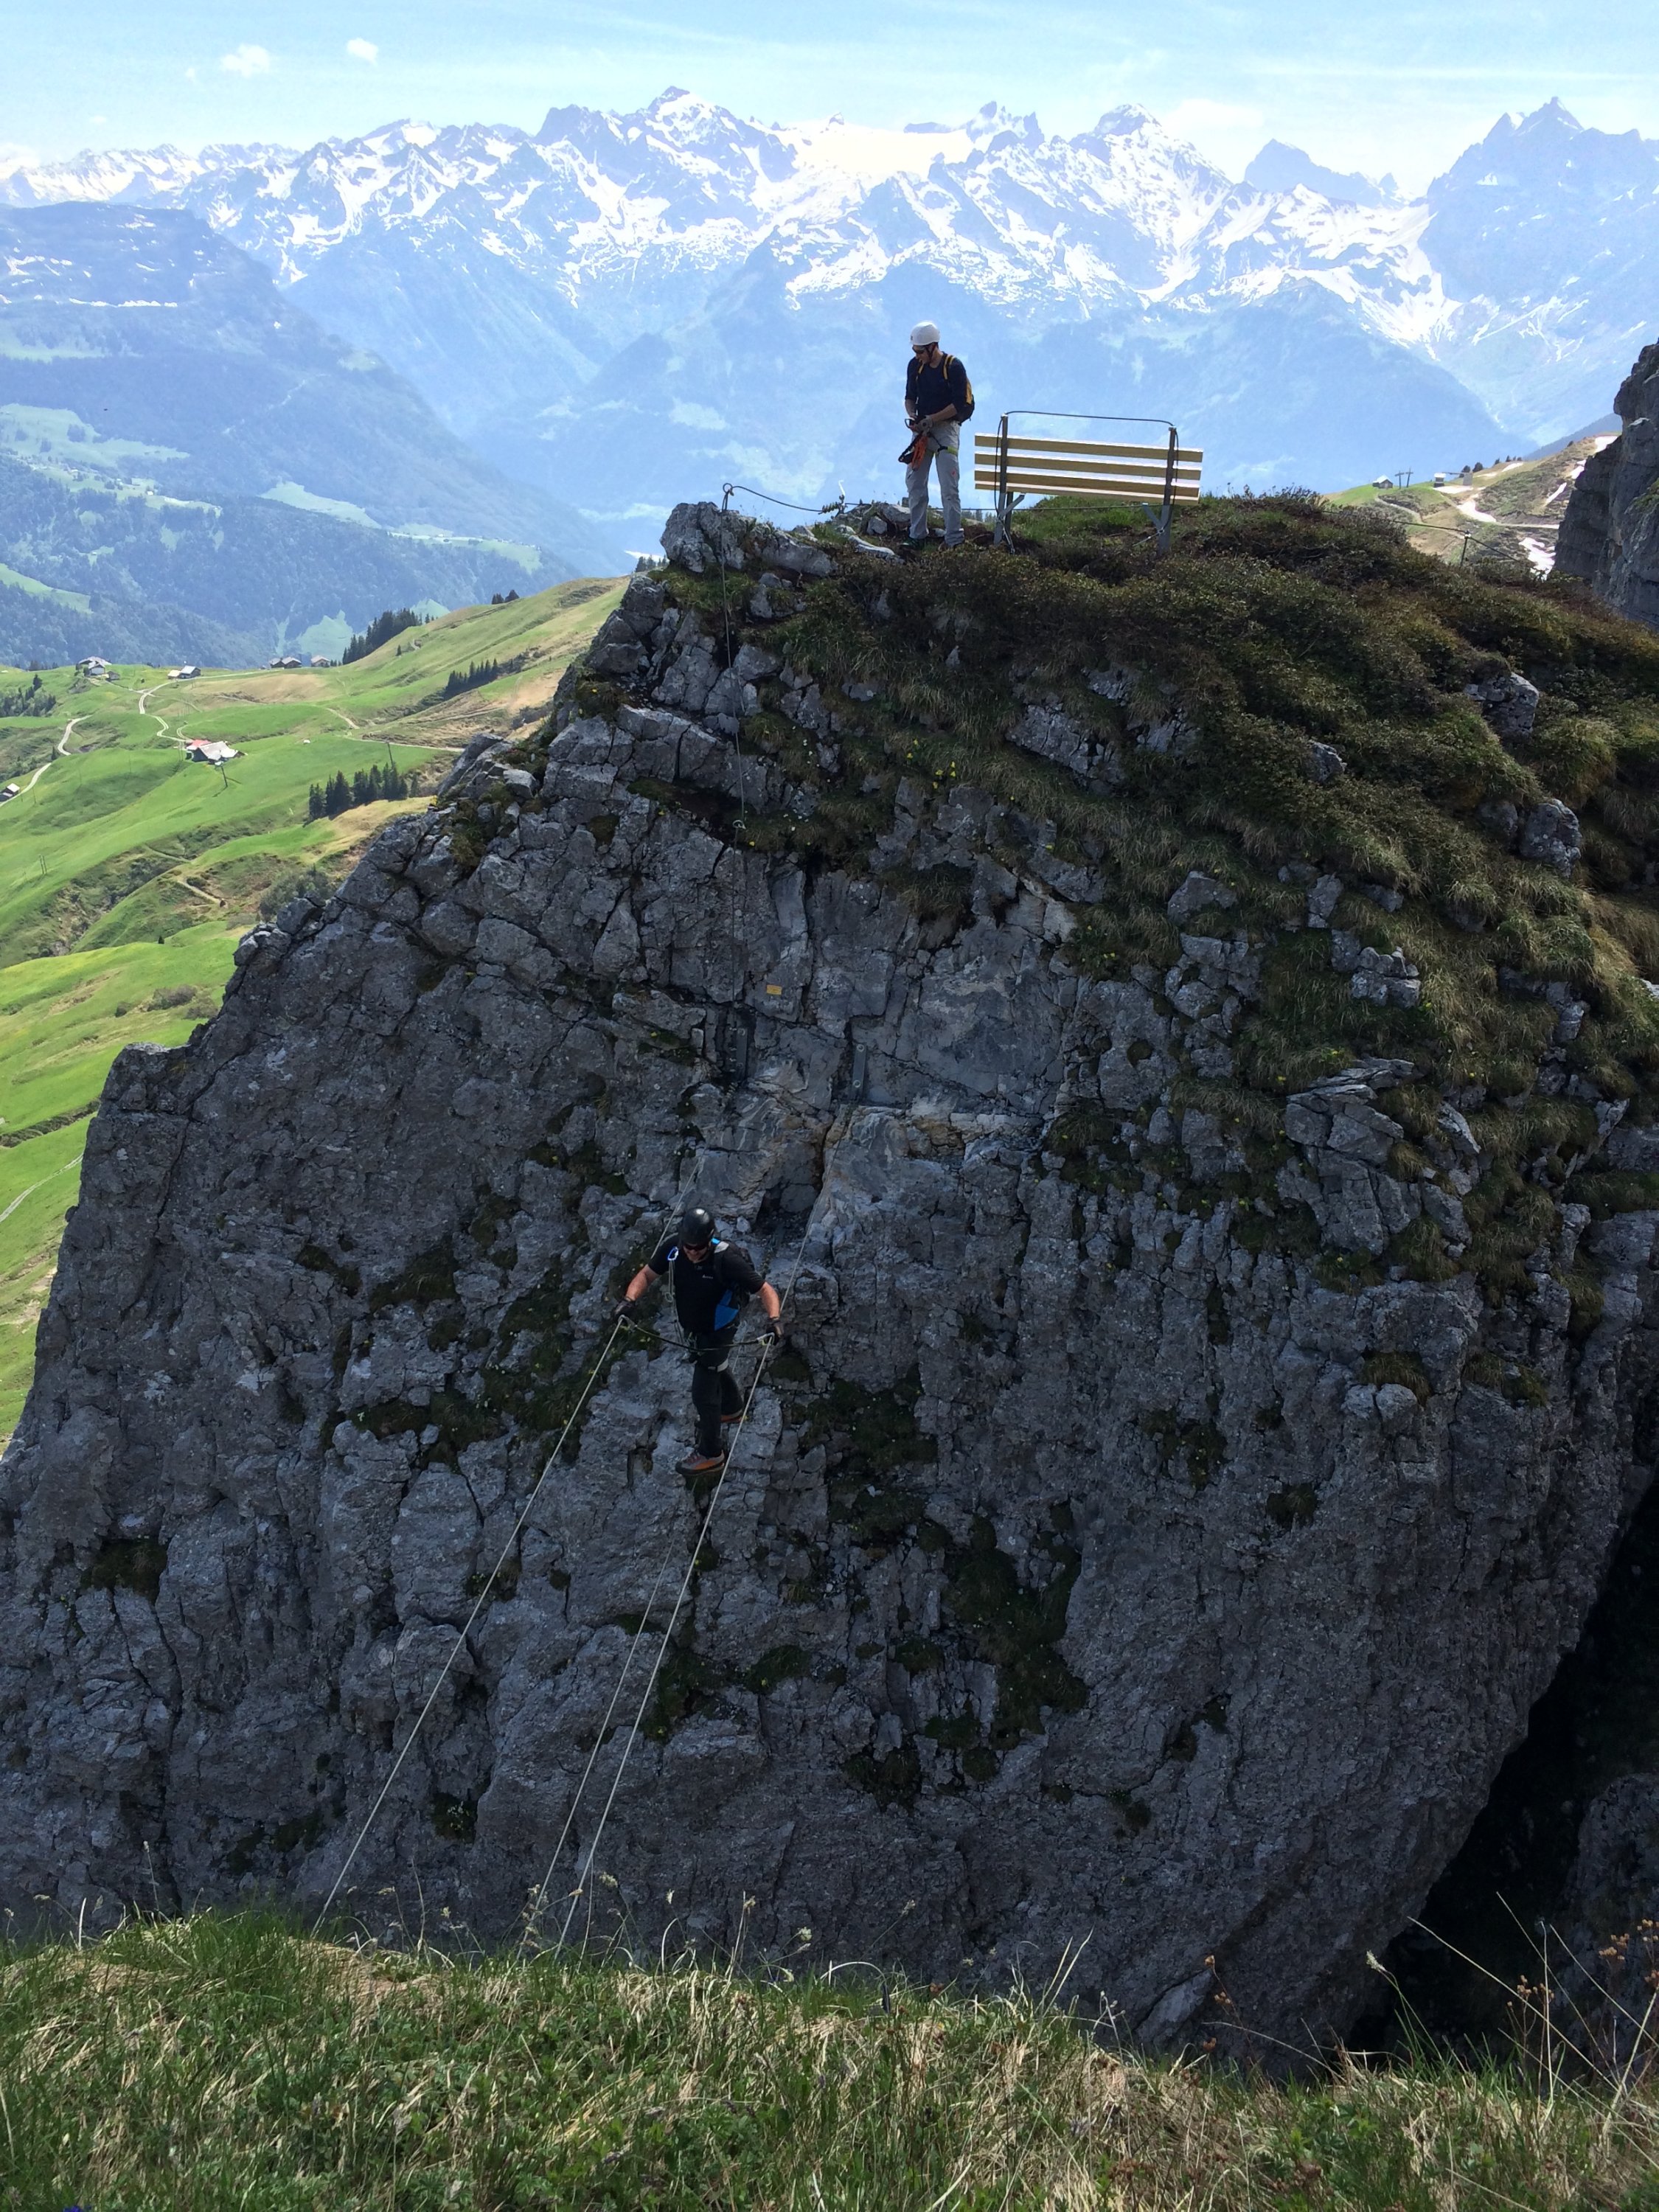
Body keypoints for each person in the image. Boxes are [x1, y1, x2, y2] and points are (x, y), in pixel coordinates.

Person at [616, 1205, 782, 1476]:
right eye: (688, 1246)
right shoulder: (674, 1248)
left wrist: (774, 1320)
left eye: (699, 1247)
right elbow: (647, 1274)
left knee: (702, 1393)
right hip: (695, 1328)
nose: (692, 1252)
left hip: (719, 1329)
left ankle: (711, 1453)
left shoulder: (726, 1259)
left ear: (710, 1240)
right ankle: (732, 1408)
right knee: (715, 1365)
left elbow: (764, 1289)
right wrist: (629, 1300)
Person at [903, 321, 970, 549]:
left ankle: (954, 540)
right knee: (915, 483)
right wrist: (913, 415)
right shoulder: (915, 366)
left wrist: (933, 419)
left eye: (920, 351)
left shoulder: (953, 367)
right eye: (915, 351)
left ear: (932, 347)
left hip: (946, 430)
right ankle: (917, 535)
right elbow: (909, 397)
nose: (917, 356)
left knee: (949, 487)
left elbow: (959, 404)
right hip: (922, 430)